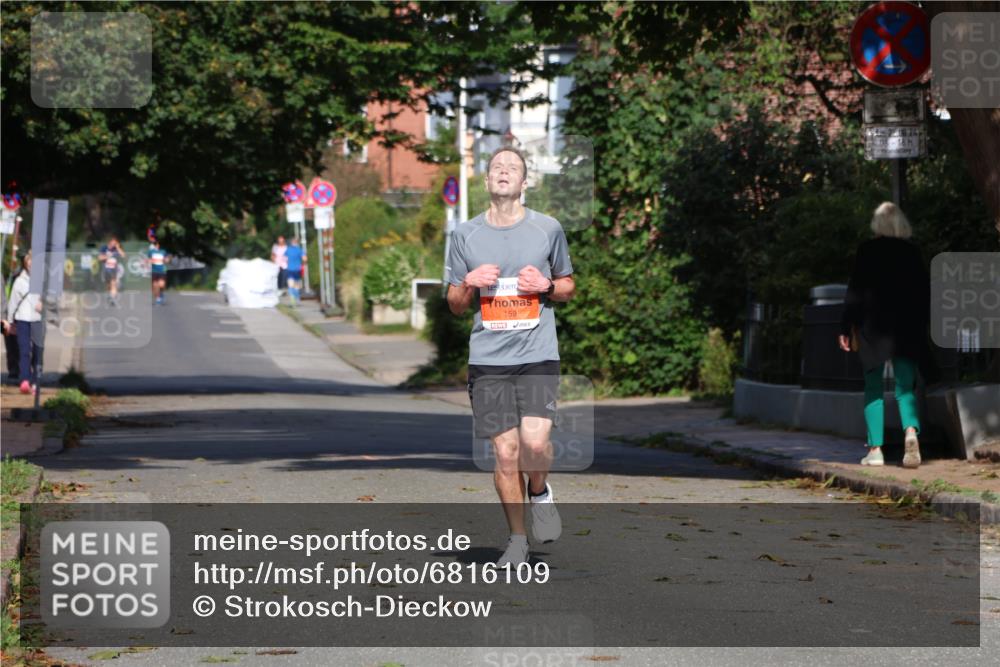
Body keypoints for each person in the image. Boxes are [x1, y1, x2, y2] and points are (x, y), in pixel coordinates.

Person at [446, 146, 575, 566]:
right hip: (488, 359)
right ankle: (517, 539)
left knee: (535, 445)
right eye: (496, 168)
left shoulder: (548, 229)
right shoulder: (465, 235)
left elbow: (568, 285)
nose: (504, 172)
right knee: (505, 453)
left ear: (524, 182)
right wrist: (467, 282)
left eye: (512, 168)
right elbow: (454, 304)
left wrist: (546, 286)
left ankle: (539, 491)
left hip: (537, 352)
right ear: (486, 182)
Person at [839, 202, 930, 469]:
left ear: (876, 224)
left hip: (872, 329)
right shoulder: (912, 252)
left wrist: (846, 327)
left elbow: (855, 292)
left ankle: (875, 450)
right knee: (905, 388)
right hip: (905, 329)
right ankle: (910, 432)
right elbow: (924, 292)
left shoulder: (866, 251)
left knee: (873, 388)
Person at [5, 251, 42, 395]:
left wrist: (44, 303)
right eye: (29, 263)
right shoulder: (19, 281)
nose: (31, 265)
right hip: (22, 319)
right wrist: (9, 322)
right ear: (26, 264)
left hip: (38, 320)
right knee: (24, 350)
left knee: (38, 352)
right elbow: (13, 302)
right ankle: (24, 380)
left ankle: (35, 380)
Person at [98, 237, 126, 306]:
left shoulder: (116, 249)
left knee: (113, 283)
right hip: (106, 269)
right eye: (113, 242)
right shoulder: (104, 248)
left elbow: (123, 255)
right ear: (110, 242)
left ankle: (112, 299)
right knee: (108, 285)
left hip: (114, 270)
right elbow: (99, 258)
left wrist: (118, 247)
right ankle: (111, 295)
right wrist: (107, 256)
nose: (114, 244)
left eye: (115, 243)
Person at [147, 240, 171, 305]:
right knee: (155, 286)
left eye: (156, 244)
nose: (155, 246)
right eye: (154, 244)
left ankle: (161, 294)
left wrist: (167, 260)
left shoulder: (163, 251)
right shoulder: (151, 252)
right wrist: (148, 262)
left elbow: (167, 259)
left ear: (158, 245)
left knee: (161, 285)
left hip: (162, 271)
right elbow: (149, 259)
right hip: (154, 271)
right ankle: (158, 298)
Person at [284, 237, 305, 306]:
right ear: (297, 243)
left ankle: (292, 297)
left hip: (290, 269)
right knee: (297, 284)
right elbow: (304, 259)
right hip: (297, 269)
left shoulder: (288, 249)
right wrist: (302, 263)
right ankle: (295, 297)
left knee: (290, 284)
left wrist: (289, 262)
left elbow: (285, 258)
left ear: (291, 242)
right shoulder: (300, 250)